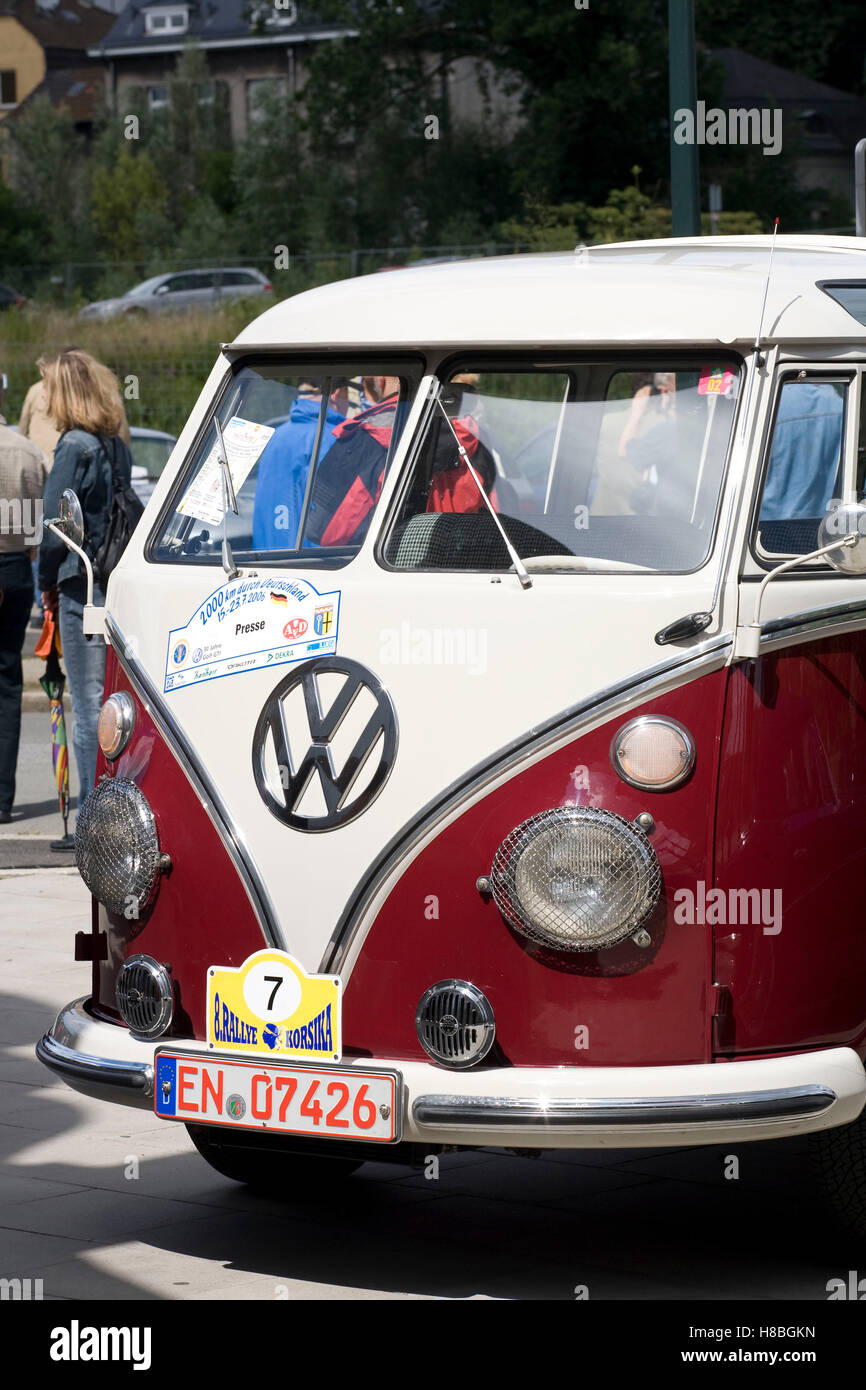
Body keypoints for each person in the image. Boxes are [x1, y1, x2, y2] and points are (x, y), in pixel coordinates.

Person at [37, 350, 133, 806]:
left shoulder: (73, 446)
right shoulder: (116, 444)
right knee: (113, 699)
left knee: (88, 704)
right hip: (114, 580)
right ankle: (116, 799)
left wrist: (45, 581)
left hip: (80, 583)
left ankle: (91, 813)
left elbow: (55, 527)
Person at [0, 374, 48, 822]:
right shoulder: (26, 451)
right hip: (15, 568)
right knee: (8, 679)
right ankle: (2, 799)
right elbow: (35, 530)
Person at [252, 378, 348, 550]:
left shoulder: (275, 437)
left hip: (265, 564)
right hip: (312, 568)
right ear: (336, 393)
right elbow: (333, 522)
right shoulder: (333, 438)